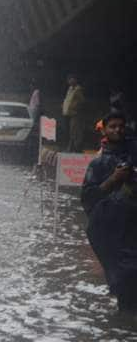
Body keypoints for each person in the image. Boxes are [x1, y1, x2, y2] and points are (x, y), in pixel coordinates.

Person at [81, 112, 137, 314]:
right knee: (125, 277)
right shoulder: (98, 163)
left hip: (133, 226)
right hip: (112, 229)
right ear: (104, 130)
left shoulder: (132, 154)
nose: (117, 130)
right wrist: (113, 180)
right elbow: (88, 198)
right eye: (112, 126)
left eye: (121, 126)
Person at [62, 75, 86, 152]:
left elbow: (82, 101)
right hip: (67, 114)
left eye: (71, 79)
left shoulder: (78, 89)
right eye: (68, 79)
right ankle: (71, 148)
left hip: (75, 114)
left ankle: (76, 149)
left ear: (75, 79)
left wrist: (74, 108)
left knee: (75, 131)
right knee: (70, 132)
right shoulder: (70, 89)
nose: (69, 81)